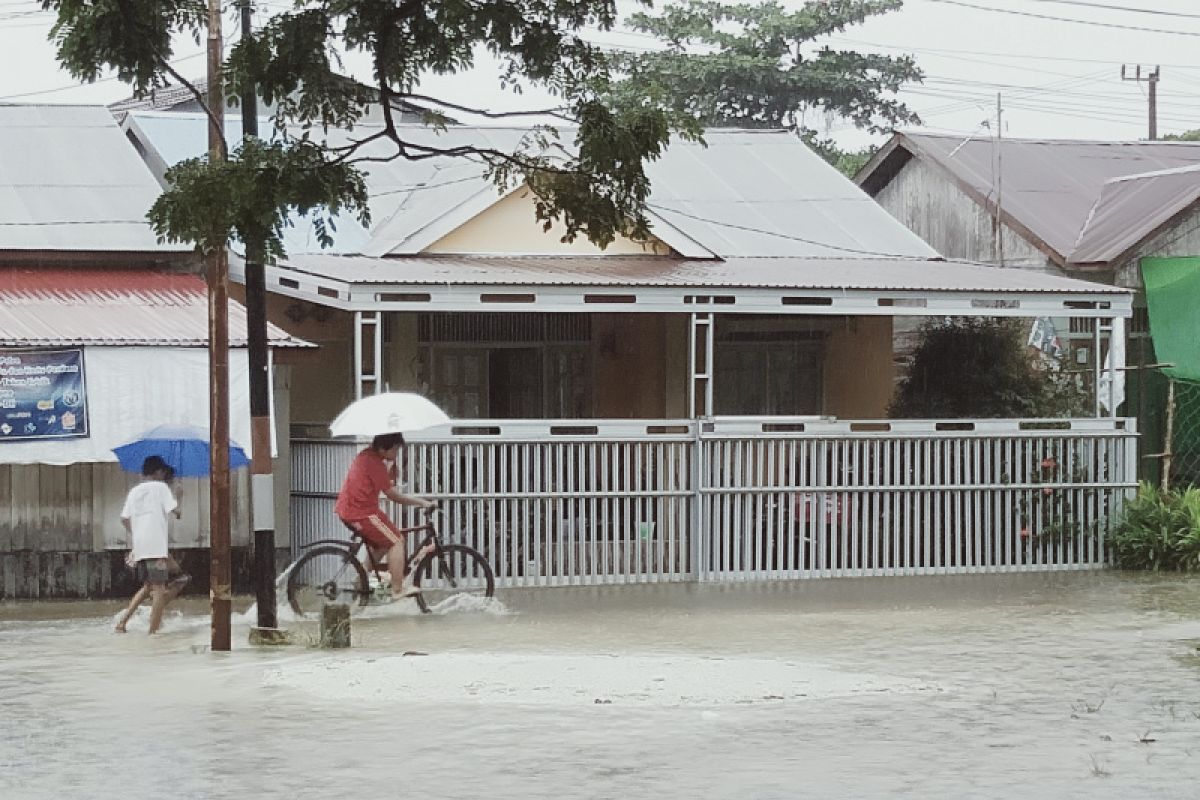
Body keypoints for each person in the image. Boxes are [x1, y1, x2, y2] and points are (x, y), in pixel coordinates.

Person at [335, 432, 436, 601]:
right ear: (383, 448)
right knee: (396, 540)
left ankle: (361, 577)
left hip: (351, 510)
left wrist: (391, 467)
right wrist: (422, 502)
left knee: (382, 543)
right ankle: (397, 589)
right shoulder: (375, 464)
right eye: (395, 449)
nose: (397, 453)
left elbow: (386, 482)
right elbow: (393, 495)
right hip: (362, 513)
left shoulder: (366, 455)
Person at [114, 456, 186, 634]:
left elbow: (124, 519)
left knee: (149, 586)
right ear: (158, 471)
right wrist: (179, 497)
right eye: (163, 471)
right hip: (156, 546)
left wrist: (138, 534)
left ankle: (123, 622)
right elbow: (177, 513)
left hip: (141, 547)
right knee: (159, 589)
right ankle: (152, 632)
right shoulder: (161, 488)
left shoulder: (134, 492)